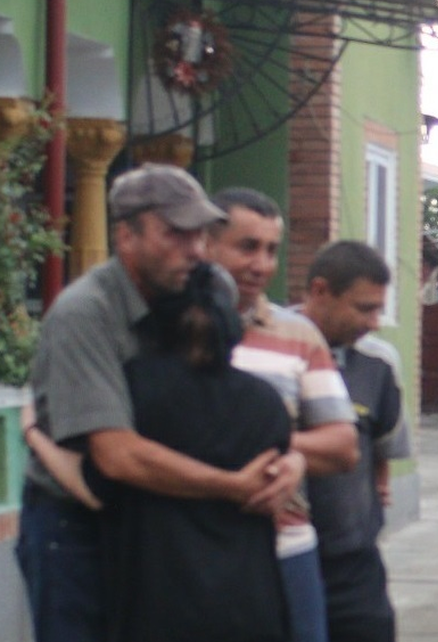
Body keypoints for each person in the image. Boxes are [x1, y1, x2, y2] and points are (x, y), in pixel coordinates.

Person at [17, 163, 302, 642]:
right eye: (176, 233)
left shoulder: (201, 285)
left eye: (201, 234)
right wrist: (233, 486)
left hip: (162, 518)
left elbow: (219, 405)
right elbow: (117, 456)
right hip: (77, 519)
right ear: (125, 236)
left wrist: (290, 461)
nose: (196, 249)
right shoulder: (85, 312)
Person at [207, 187, 358, 642]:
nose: (261, 264)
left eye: (271, 250)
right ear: (207, 245)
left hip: (286, 545)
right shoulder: (165, 332)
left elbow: (343, 445)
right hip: (194, 546)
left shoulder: (298, 335)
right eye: (247, 247)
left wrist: (286, 452)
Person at [297, 240, 411, 642]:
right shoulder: (269, 347)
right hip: (283, 557)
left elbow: (383, 448)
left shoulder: (378, 364)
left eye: (379, 309)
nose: (375, 322)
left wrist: (369, 500)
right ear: (320, 291)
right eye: (364, 308)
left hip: (354, 566)